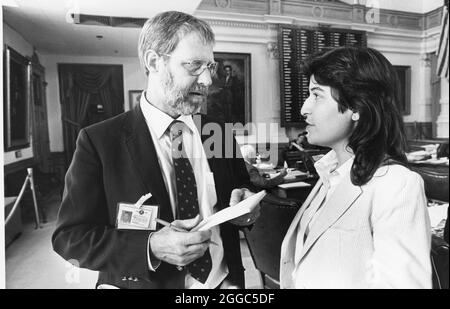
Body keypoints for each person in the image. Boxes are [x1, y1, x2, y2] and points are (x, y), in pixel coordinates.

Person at [52, 11, 259, 289]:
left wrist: (245, 207)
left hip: (224, 282)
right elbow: (69, 237)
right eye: (194, 65)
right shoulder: (98, 141)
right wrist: (149, 247)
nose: (208, 81)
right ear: (154, 62)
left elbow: (240, 188)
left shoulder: (219, 132)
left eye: (210, 67)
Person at [280, 47, 432, 288]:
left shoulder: (396, 184)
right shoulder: (329, 172)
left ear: (358, 107)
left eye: (317, 95)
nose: (304, 109)